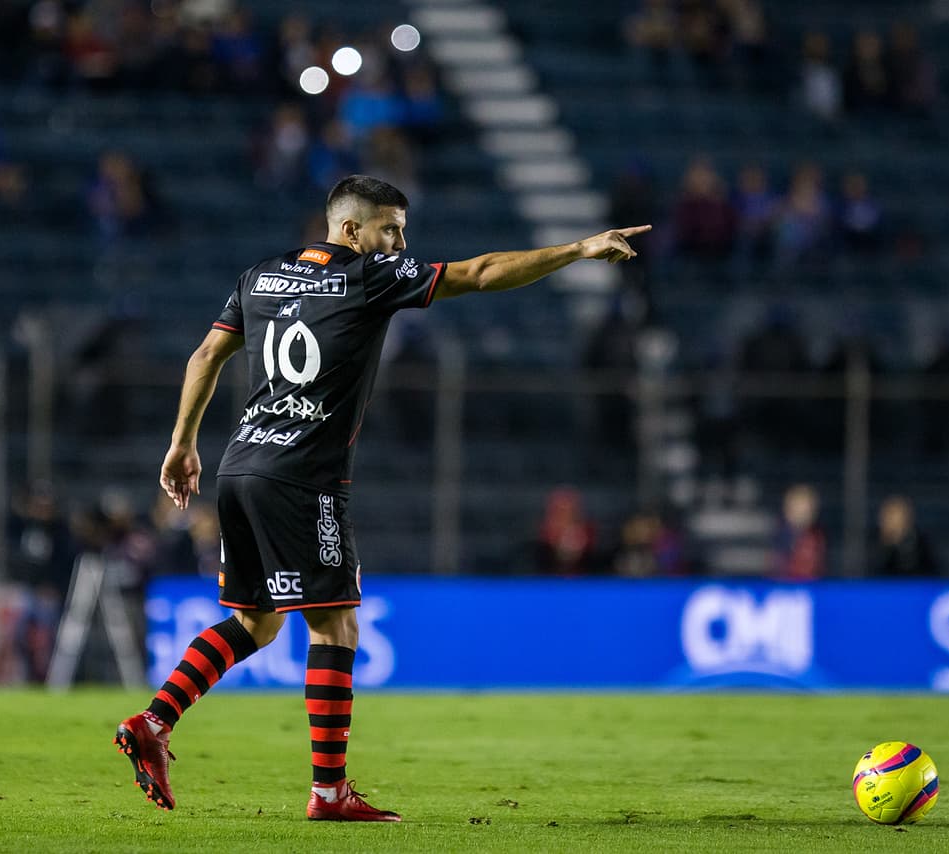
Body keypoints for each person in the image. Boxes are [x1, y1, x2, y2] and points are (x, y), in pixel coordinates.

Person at [114, 174, 649, 821]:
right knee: (335, 623)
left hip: (240, 465)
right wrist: (579, 250)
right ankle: (328, 793)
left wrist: (182, 444)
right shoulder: (367, 277)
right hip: (302, 476)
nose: (399, 241)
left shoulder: (260, 275)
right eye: (389, 229)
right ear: (349, 230)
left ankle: (155, 720)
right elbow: (479, 273)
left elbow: (206, 354)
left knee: (259, 621)